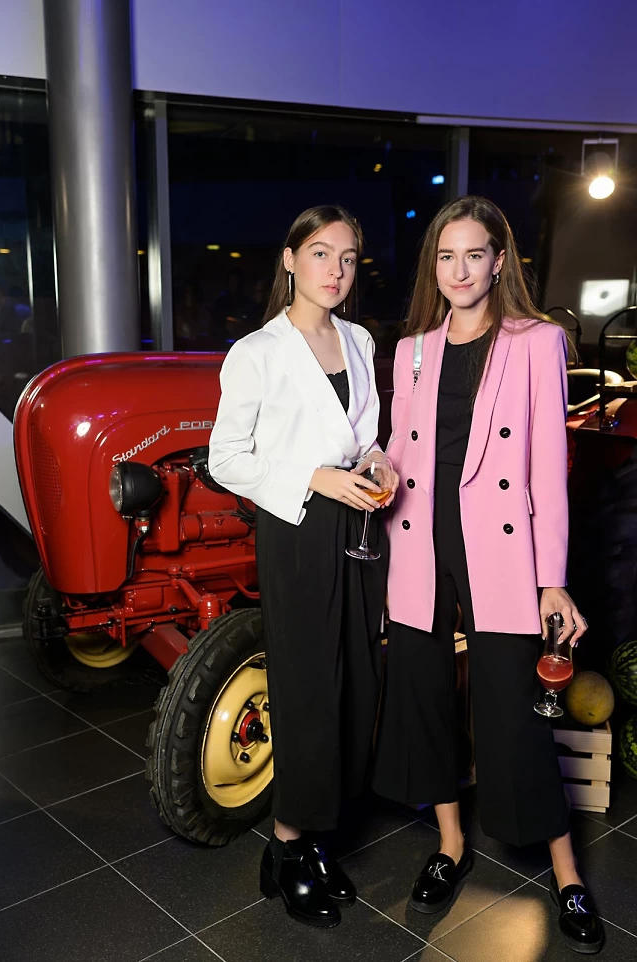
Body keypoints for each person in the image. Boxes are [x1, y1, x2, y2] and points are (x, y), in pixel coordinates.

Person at [374, 196, 604, 954]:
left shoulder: (538, 341)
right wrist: (372, 468)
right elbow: (401, 449)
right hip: (419, 539)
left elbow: (548, 467)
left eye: (474, 254)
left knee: (515, 713)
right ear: (433, 266)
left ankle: (567, 874)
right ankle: (449, 844)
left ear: (499, 261)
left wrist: (551, 578)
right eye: (446, 256)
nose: (460, 270)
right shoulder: (413, 348)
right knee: (424, 696)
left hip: (500, 548)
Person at [208, 205, 397, 929]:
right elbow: (227, 459)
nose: (336, 271)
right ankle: (287, 843)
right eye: (321, 253)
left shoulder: (359, 339)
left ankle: (316, 840)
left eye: (348, 258)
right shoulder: (256, 351)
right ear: (290, 259)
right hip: (298, 528)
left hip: (360, 524)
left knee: (357, 680)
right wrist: (315, 478)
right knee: (309, 686)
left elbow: (365, 434)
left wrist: (379, 462)